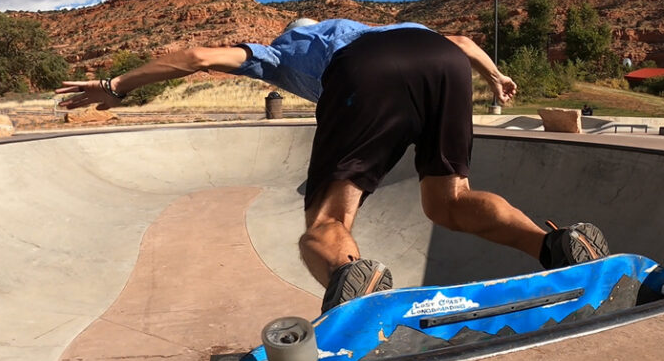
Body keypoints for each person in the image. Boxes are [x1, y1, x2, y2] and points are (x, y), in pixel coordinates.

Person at [56, 18, 610, 312]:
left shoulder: (276, 52)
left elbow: (198, 58)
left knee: (325, 223)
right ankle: (554, 246)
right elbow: (461, 41)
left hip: (364, 74)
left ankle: (354, 280)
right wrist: (493, 76)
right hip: (442, 61)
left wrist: (116, 85)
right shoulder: (379, 26)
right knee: (450, 200)